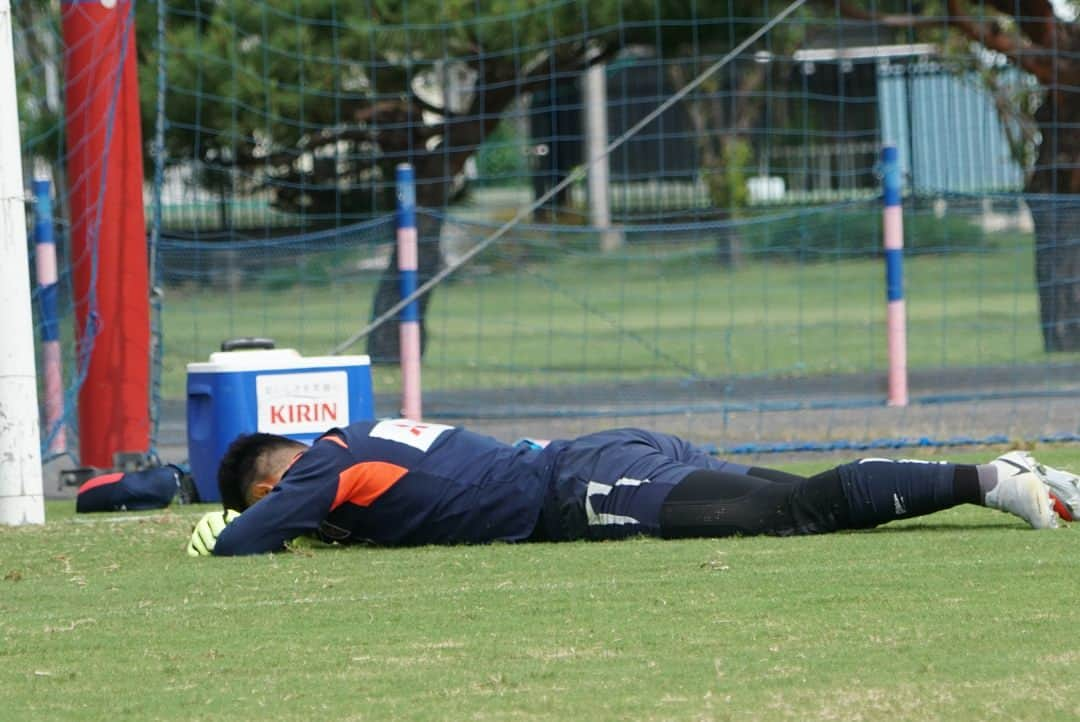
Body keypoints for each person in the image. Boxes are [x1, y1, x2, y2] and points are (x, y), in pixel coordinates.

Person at [187, 418, 1080, 557]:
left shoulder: (316, 469)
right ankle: (1024, 473)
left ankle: (992, 481)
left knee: (788, 515)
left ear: (276, 476)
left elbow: (239, 545)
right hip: (602, 450)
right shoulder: (370, 431)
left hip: (581, 482)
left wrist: (227, 529)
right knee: (802, 496)